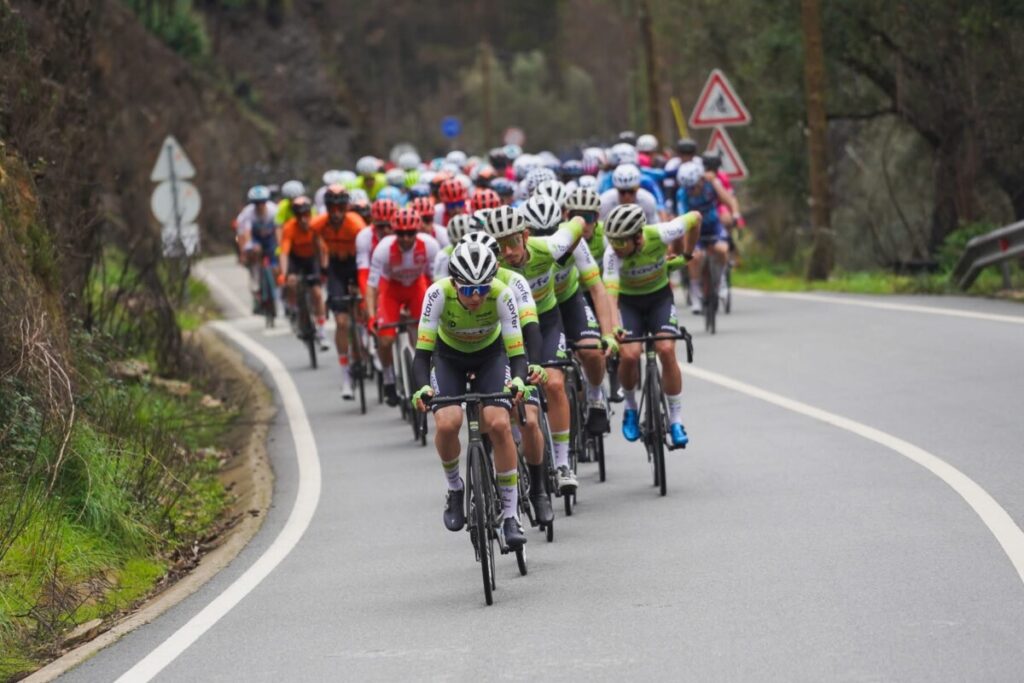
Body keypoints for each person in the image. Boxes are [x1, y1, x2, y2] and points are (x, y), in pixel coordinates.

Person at [410, 242, 531, 547]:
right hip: (448, 358)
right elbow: (422, 355)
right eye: (467, 290)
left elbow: (517, 354)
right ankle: (454, 488)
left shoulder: (502, 293)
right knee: (448, 422)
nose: (476, 297)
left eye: (481, 288)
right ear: (454, 284)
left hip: (491, 356)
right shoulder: (437, 294)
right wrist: (422, 387)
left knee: (499, 423)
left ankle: (509, 515)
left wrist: (518, 381)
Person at [484, 204, 586, 494]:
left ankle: (564, 463)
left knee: (554, 382)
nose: (508, 251)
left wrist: (568, 251)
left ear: (526, 236)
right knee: (517, 397)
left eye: (513, 241)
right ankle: (520, 447)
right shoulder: (490, 266)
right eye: (500, 245)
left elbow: (578, 222)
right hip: (510, 331)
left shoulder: (548, 247)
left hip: (546, 322)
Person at [602, 204, 702, 448]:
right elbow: (611, 296)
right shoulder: (612, 255)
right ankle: (631, 408)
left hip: (659, 298)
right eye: (612, 241)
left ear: (638, 237)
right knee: (629, 354)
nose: (616, 247)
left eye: (621, 242)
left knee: (666, 350)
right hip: (629, 304)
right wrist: (614, 330)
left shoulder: (661, 233)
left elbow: (696, 217)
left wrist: (687, 253)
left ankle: (676, 420)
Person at [366, 207, 440, 406]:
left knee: (426, 337)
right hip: (392, 290)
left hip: (417, 287)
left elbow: (436, 281)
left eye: (410, 233)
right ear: (393, 231)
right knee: (386, 338)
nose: (406, 238)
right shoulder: (383, 249)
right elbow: (372, 286)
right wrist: (372, 317)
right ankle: (389, 379)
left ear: (417, 231)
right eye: (400, 233)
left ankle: (429, 379)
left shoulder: (430, 245)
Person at [311, 185, 367, 399]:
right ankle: (345, 376)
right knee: (342, 322)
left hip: (355, 265)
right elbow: (315, 244)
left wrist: (359, 283)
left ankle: (365, 345)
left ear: (346, 207)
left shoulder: (356, 224)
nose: (335, 213)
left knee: (362, 310)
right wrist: (321, 268)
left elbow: (365, 254)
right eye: (331, 207)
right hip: (335, 269)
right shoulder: (319, 224)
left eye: (340, 207)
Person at [675, 161, 738, 313]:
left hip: (713, 225)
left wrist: (735, 213)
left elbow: (727, 199)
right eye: (688, 188)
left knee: (722, 250)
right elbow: (682, 217)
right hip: (695, 230)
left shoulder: (711, 184)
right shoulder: (682, 194)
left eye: (694, 186)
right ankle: (695, 293)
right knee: (695, 258)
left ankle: (721, 280)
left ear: (700, 180)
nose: (692, 191)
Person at [278, 196, 329, 350]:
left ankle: (321, 331)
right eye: (300, 216)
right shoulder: (289, 228)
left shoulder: (316, 225)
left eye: (306, 215)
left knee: (317, 294)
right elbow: (284, 253)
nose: (303, 219)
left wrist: (324, 268)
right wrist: (284, 273)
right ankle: (295, 309)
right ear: (295, 216)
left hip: (311, 259)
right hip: (296, 259)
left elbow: (323, 249)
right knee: (292, 282)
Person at [235, 185, 279, 311]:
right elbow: (244, 234)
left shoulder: (273, 211)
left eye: (262, 202)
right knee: (255, 250)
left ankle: (278, 289)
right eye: (256, 203)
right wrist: (244, 252)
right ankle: (256, 280)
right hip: (255, 239)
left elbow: (278, 230)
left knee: (276, 264)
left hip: (270, 238)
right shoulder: (247, 214)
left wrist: (279, 247)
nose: (260, 206)